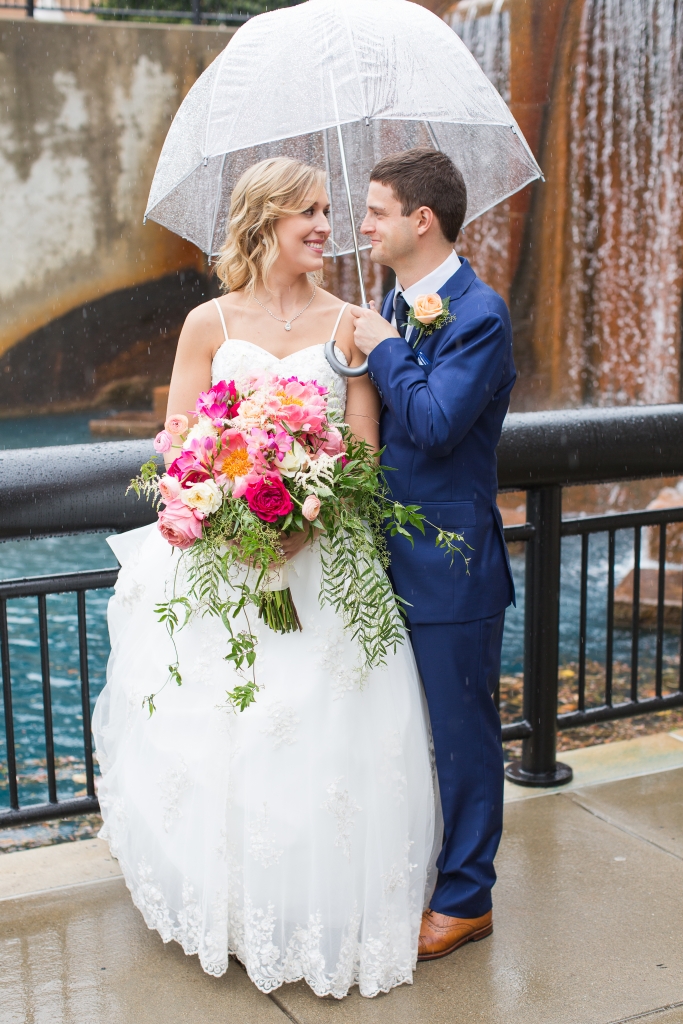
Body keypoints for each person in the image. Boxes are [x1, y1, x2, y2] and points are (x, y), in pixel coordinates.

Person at [92, 157, 436, 1000]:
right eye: (307, 213)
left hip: (322, 557)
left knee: (320, 736)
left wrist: (303, 506)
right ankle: (235, 910)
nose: (326, 225)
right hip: (223, 555)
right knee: (224, 733)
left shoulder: (353, 323)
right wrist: (226, 495)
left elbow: (360, 449)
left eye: (329, 210)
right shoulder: (207, 322)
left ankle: (312, 909)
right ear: (262, 221)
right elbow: (178, 439)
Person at [352, 147, 516, 961]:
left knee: (461, 735)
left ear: (421, 221)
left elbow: (437, 424)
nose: (363, 223)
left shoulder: (479, 313)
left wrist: (384, 346)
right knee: (394, 729)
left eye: (376, 210)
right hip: (378, 556)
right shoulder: (392, 299)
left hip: (450, 567)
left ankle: (466, 898)